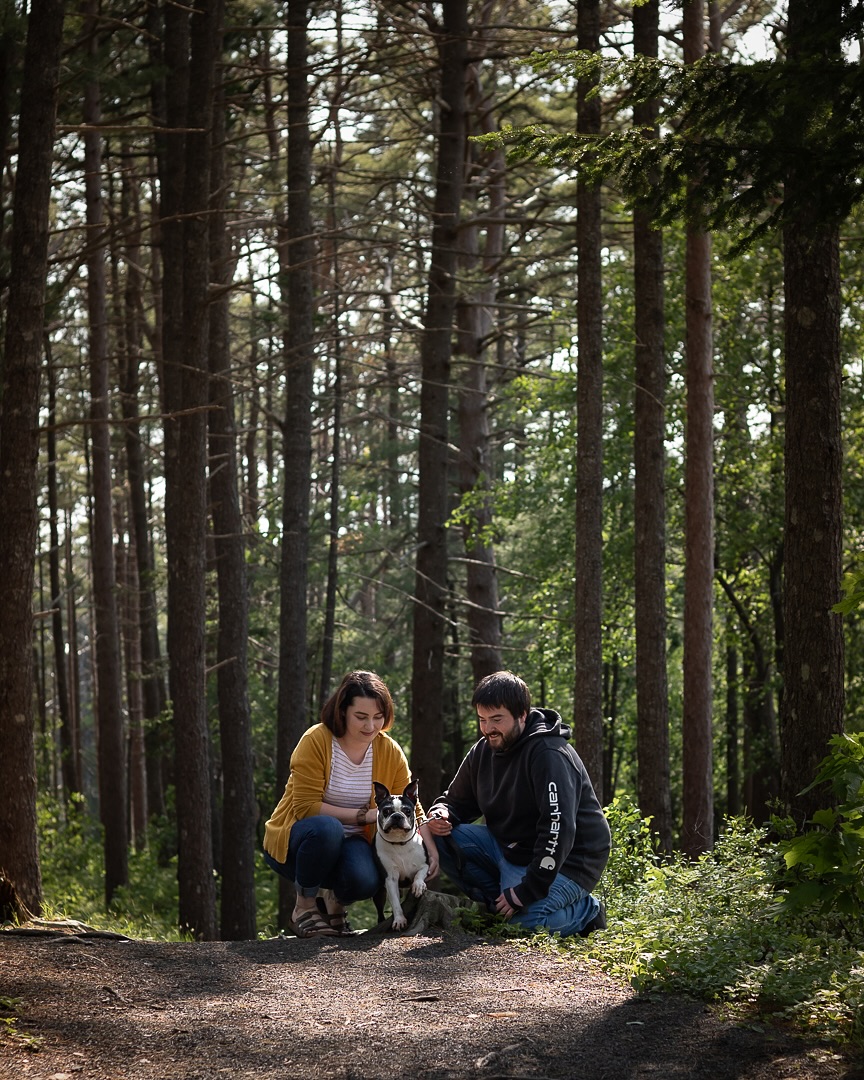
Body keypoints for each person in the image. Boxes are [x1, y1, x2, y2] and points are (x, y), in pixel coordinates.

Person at [420, 670, 610, 938]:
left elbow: (559, 829)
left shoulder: (548, 754)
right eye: (482, 720)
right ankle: (499, 907)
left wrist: (527, 891)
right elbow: (455, 802)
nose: (488, 729)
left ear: (522, 714)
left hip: (570, 860)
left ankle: (586, 911)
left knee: (523, 925)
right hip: (511, 849)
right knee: (440, 837)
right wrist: (441, 813)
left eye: (497, 719)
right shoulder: (484, 749)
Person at [263, 670, 436, 938]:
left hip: (352, 843)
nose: (371, 726)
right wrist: (365, 816)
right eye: (361, 717)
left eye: (378, 717)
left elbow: (415, 807)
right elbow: (305, 807)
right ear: (342, 710)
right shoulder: (316, 740)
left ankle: (335, 905)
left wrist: (431, 850)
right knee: (328, 829)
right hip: (300, 844)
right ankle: (304, 908)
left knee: (366, 879)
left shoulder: (389, 751)